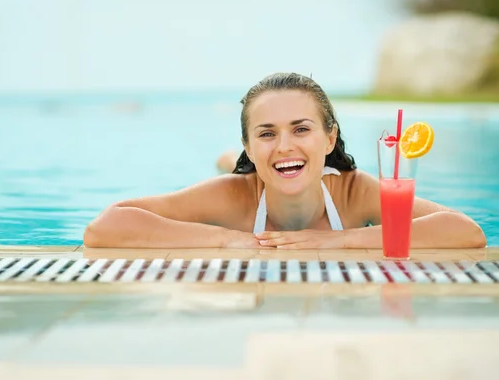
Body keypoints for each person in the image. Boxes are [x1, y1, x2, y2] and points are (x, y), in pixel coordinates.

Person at [83, 73, 486, 249]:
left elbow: (465, 232)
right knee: (235, 173)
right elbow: (105, 227)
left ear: (330, 138)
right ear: (248, 143)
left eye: (301, 129)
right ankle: (229, 161)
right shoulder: (232, 198)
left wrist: (340, 241)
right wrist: (230, 240)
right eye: (266, 134)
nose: (284, 145)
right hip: (244, 182)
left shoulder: (353, 190)